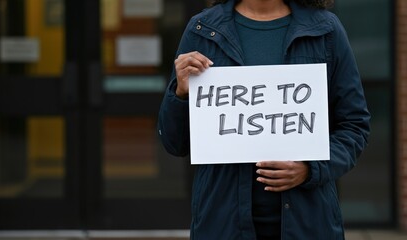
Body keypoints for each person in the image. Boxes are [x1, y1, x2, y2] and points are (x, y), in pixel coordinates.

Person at [157, 0, 371, 239]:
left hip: (308, 223)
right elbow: (174, 142)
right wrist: (181, 94)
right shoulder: (202, 29)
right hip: (223, 225)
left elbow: (354, 126)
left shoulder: (326, 29)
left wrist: (310, 168)